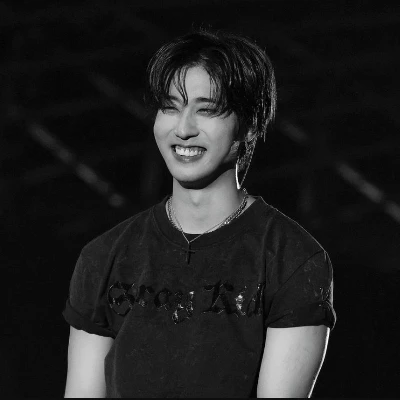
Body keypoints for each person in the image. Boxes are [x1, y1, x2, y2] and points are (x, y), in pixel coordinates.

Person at [63, 29, 337, 398]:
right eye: (170, 107)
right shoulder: (104, 256)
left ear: (249, 125)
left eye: (206, 110)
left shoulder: (292, 259)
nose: (183, 128)